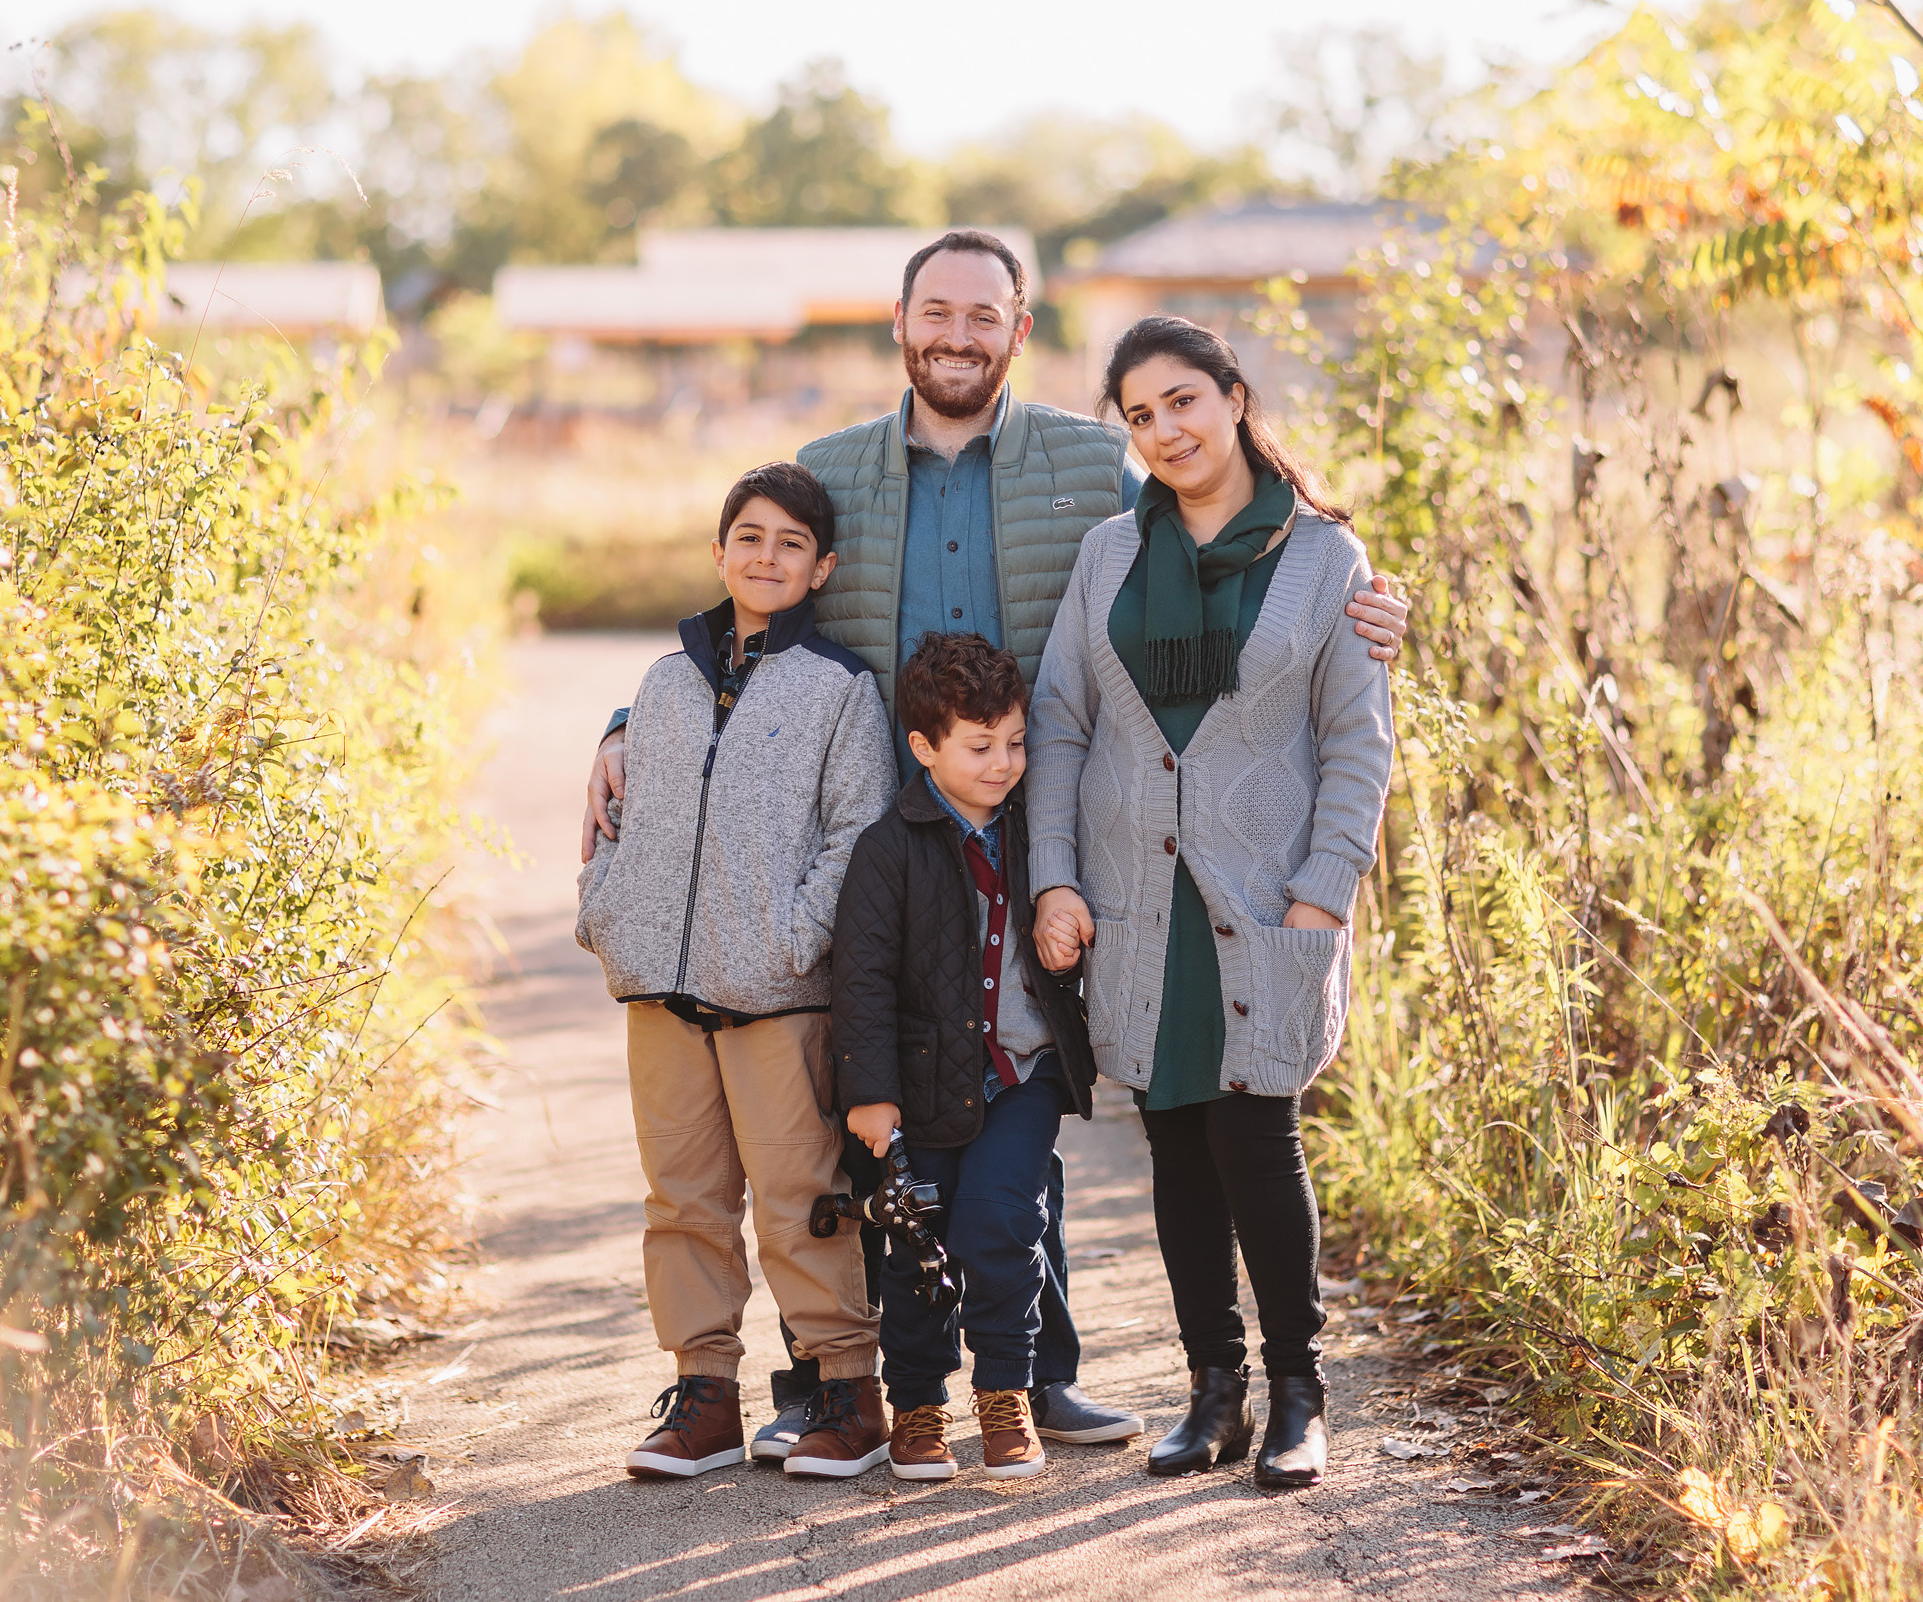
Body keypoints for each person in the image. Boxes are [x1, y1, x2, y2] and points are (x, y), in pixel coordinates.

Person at [582, 229, 1409, 1457]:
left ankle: (1039, 1372)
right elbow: (756, 601)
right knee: (883, 1090)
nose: (957, 335)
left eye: (984, 315)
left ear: (1020, 331)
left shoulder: (1094, 466)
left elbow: (1223, 538)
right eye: (936, 312)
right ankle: (862, 1383)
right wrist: (625, 723)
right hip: (888, 823)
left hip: (1046, 822)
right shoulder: (832, 468)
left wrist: (1375, 600)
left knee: (1027, 1080)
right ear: (900, 323)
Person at [1027, 316, 1393, 1491]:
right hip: (1138, 902)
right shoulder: (1108, 558)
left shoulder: (1324, 559)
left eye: (1182, 401)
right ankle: (1212, 1393)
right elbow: (1062, 723)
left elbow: (1355, 742)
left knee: (1255, 1133)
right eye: (1138, 415)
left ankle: (1299, 1393)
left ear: (1233, 398)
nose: (1164, 430)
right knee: (1175, 1143)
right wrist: (1056, 876)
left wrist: (1322, 899)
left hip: (1264, 898)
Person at [574, 461, 898, 1480]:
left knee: (800, 1191)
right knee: (680, 1198)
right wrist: (606, 913)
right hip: (658, 988)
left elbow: (856, 833)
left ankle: (848, 1391)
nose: (766, 557)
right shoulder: (664, 683)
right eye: (749, 538)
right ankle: (703, 1391)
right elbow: (617, 816)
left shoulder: (841, 689)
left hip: (775, 993)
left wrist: (791, 940)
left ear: (822, 567)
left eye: (790, 544)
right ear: (720, 553)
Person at [828, 633, 1098, 1482]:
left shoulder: (1038, 834)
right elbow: (861, 979)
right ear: (924, 747)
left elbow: (1071, 924)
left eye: (1015, 742)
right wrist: (869, 1094)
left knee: (1002, 1226)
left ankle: (1007, 1393)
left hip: (1023, 1074)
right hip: (918, 1086)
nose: (1004, 762)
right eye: (980, 746)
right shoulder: (888, 847)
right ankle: (915, 1403)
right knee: (916, 1246)